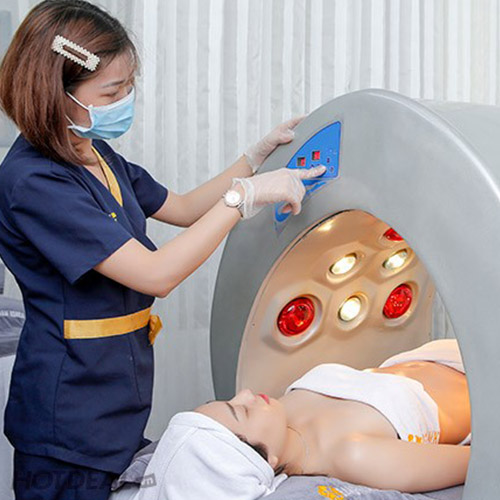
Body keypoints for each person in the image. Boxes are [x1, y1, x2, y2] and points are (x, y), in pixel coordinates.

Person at [0, 1, 326, 499]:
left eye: (128, 88)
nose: (124, 101)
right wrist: (243, 198)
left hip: (116, 395)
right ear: (53, 92)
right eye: (111, 93)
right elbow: (156, 274)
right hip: (67, 414)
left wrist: (253, 159)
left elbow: (186, 207)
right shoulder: (34, 182)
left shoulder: (94, 155)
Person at [134, 339, 471, 500]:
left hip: (435, 352)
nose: (246, 394)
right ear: (266, 460)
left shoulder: (281, 414)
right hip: (483, 379)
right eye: (242, 411)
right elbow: (477, 461)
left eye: (228, 401)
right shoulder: (354, 455)